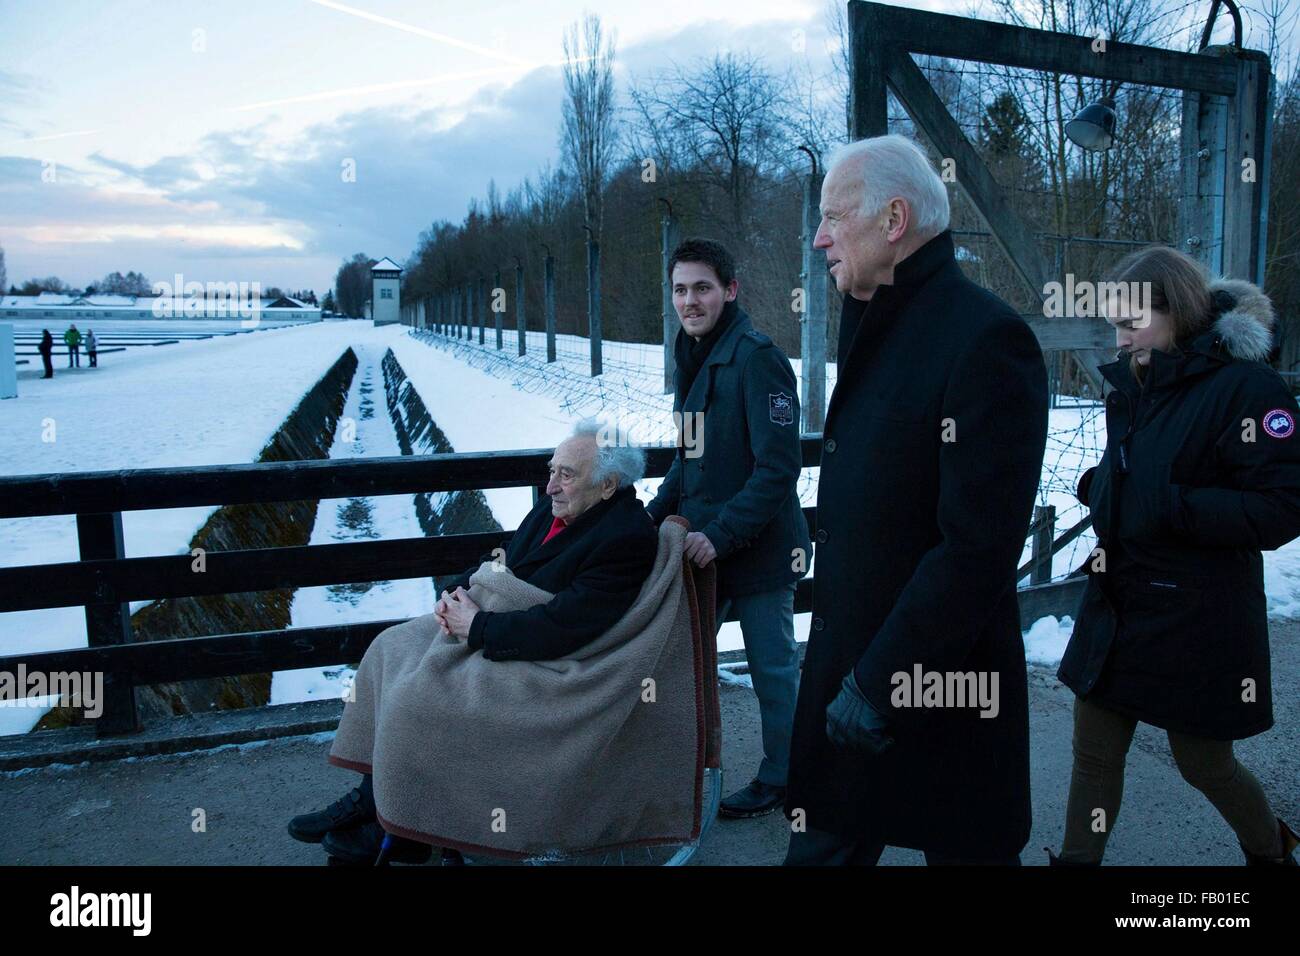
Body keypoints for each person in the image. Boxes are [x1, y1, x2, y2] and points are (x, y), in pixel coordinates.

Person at [783, 134, 1048, 865]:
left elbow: (978, 547)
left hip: (936, 684)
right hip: (855, 679)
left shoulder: (987, 340)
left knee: (965, 850)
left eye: (835, 216)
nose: (818, 237)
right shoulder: (877, 319)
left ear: (893, 221)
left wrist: (882, 680)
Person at [289, 418, 658, 864]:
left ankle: (405, 823)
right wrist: (458, 591)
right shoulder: (556, 508)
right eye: (551, 469)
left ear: (608, 486)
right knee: (390, 647)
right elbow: (505, 560)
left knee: (419, 696)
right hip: (505, 625)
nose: (550, 486)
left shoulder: (627, 538)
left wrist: (478, 626)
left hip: (558, 667)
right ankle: (377, 801)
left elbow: (568, 627)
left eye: (566, 474)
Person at [1050, 246, 1300, 866]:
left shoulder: (1248, 388)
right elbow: (1136, 471)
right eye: (1114, 321)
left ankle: (1272, 851)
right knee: (1094, 754)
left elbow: (1283, 505)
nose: (1122, 335)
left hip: (1199, 617)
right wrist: (1103, 488)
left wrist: (1171, 506)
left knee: (1203, 764)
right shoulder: (1136, 381)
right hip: (1119, 600)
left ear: (1179, 310)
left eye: (1134, 320)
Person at [645, 238, 812, 818]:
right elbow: (687, 460)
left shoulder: (757, 357)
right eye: (680, 290)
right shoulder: (691, 354)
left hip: (758, 549)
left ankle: (787, 779)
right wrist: (646, 522)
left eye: (702, 288)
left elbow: (778, 468)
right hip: (704, 549)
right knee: (678, 663)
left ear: (730, 290)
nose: (689, 301)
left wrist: (720, 534)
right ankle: (671, 777)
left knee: (772, 669)